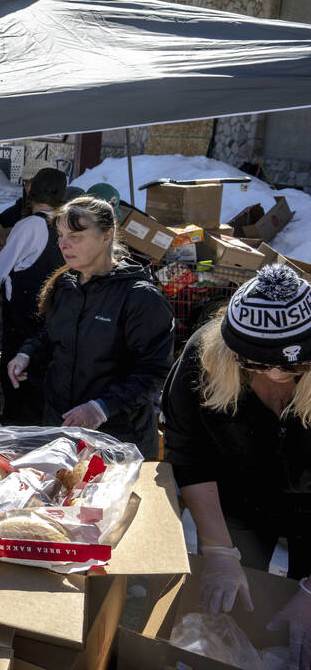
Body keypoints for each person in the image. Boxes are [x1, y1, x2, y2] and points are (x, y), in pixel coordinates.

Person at [162, 265, 311, 654]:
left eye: (295, 367)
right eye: (256, 364)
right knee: (241, 608)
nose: (277, 376)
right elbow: (188, 455)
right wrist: (218, 551)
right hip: (240, 499)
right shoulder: (203, 358)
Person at [7, 197, 174, 457]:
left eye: (76, 235)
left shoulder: (139, 297)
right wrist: (27, 353)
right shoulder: (66, 284)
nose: (63, 244)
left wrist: (101, 408)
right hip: (61, 428)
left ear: (107, 236)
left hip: (117, 440)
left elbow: (154, 371)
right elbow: (54, 335)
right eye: (61, 235)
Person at [0, 168, 68, 425]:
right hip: (55, 328)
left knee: (21, 403)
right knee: (45, 402)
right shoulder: (66, 226)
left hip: (24, 329)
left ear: (30, 191)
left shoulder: (29, 226)